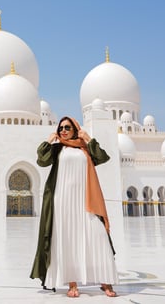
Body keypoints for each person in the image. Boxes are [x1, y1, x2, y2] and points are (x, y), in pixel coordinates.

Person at [30, 116, 118, 298]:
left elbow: (102, 157)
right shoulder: (57, 148)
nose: (63, 130)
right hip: (62, 200)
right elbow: (42, 160)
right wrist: (49, 140)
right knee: (67, 239)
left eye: (67, 127)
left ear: (75, 129)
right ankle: (72, 284)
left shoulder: (85, 147)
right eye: (61, 127)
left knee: (98, 236)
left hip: (86, 200)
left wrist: (88, 139)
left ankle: (106, 282)